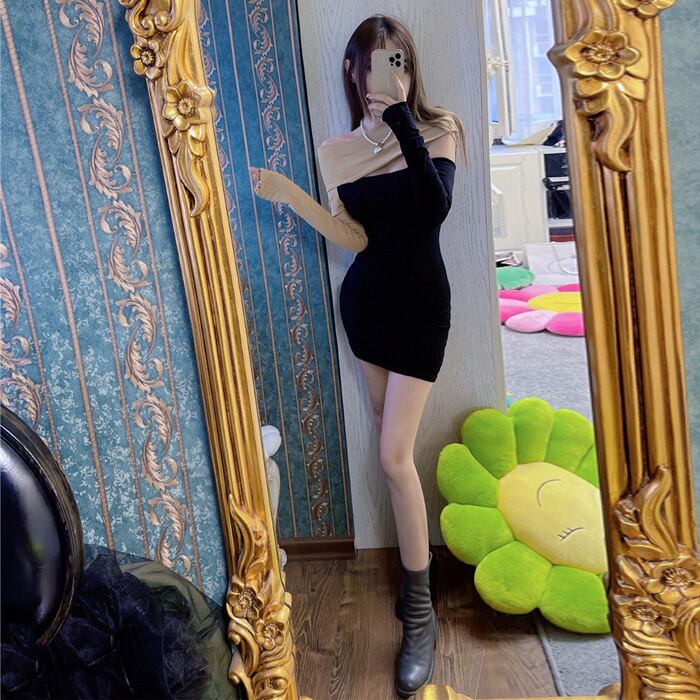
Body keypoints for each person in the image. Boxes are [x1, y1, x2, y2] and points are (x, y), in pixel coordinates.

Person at [249, 13, 465, 698]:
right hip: (368, 307)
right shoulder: (338, 151)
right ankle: (414, 579)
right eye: (375, 61)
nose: (388, 72)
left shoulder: (439, 129)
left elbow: (433, 208)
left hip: (422, 308)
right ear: (352, 70)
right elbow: (356, 240)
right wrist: (293, 197)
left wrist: (400, 117)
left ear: (410, 66)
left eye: (399, 59)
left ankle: (421, 613)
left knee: (395, 456)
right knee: (383, 440)